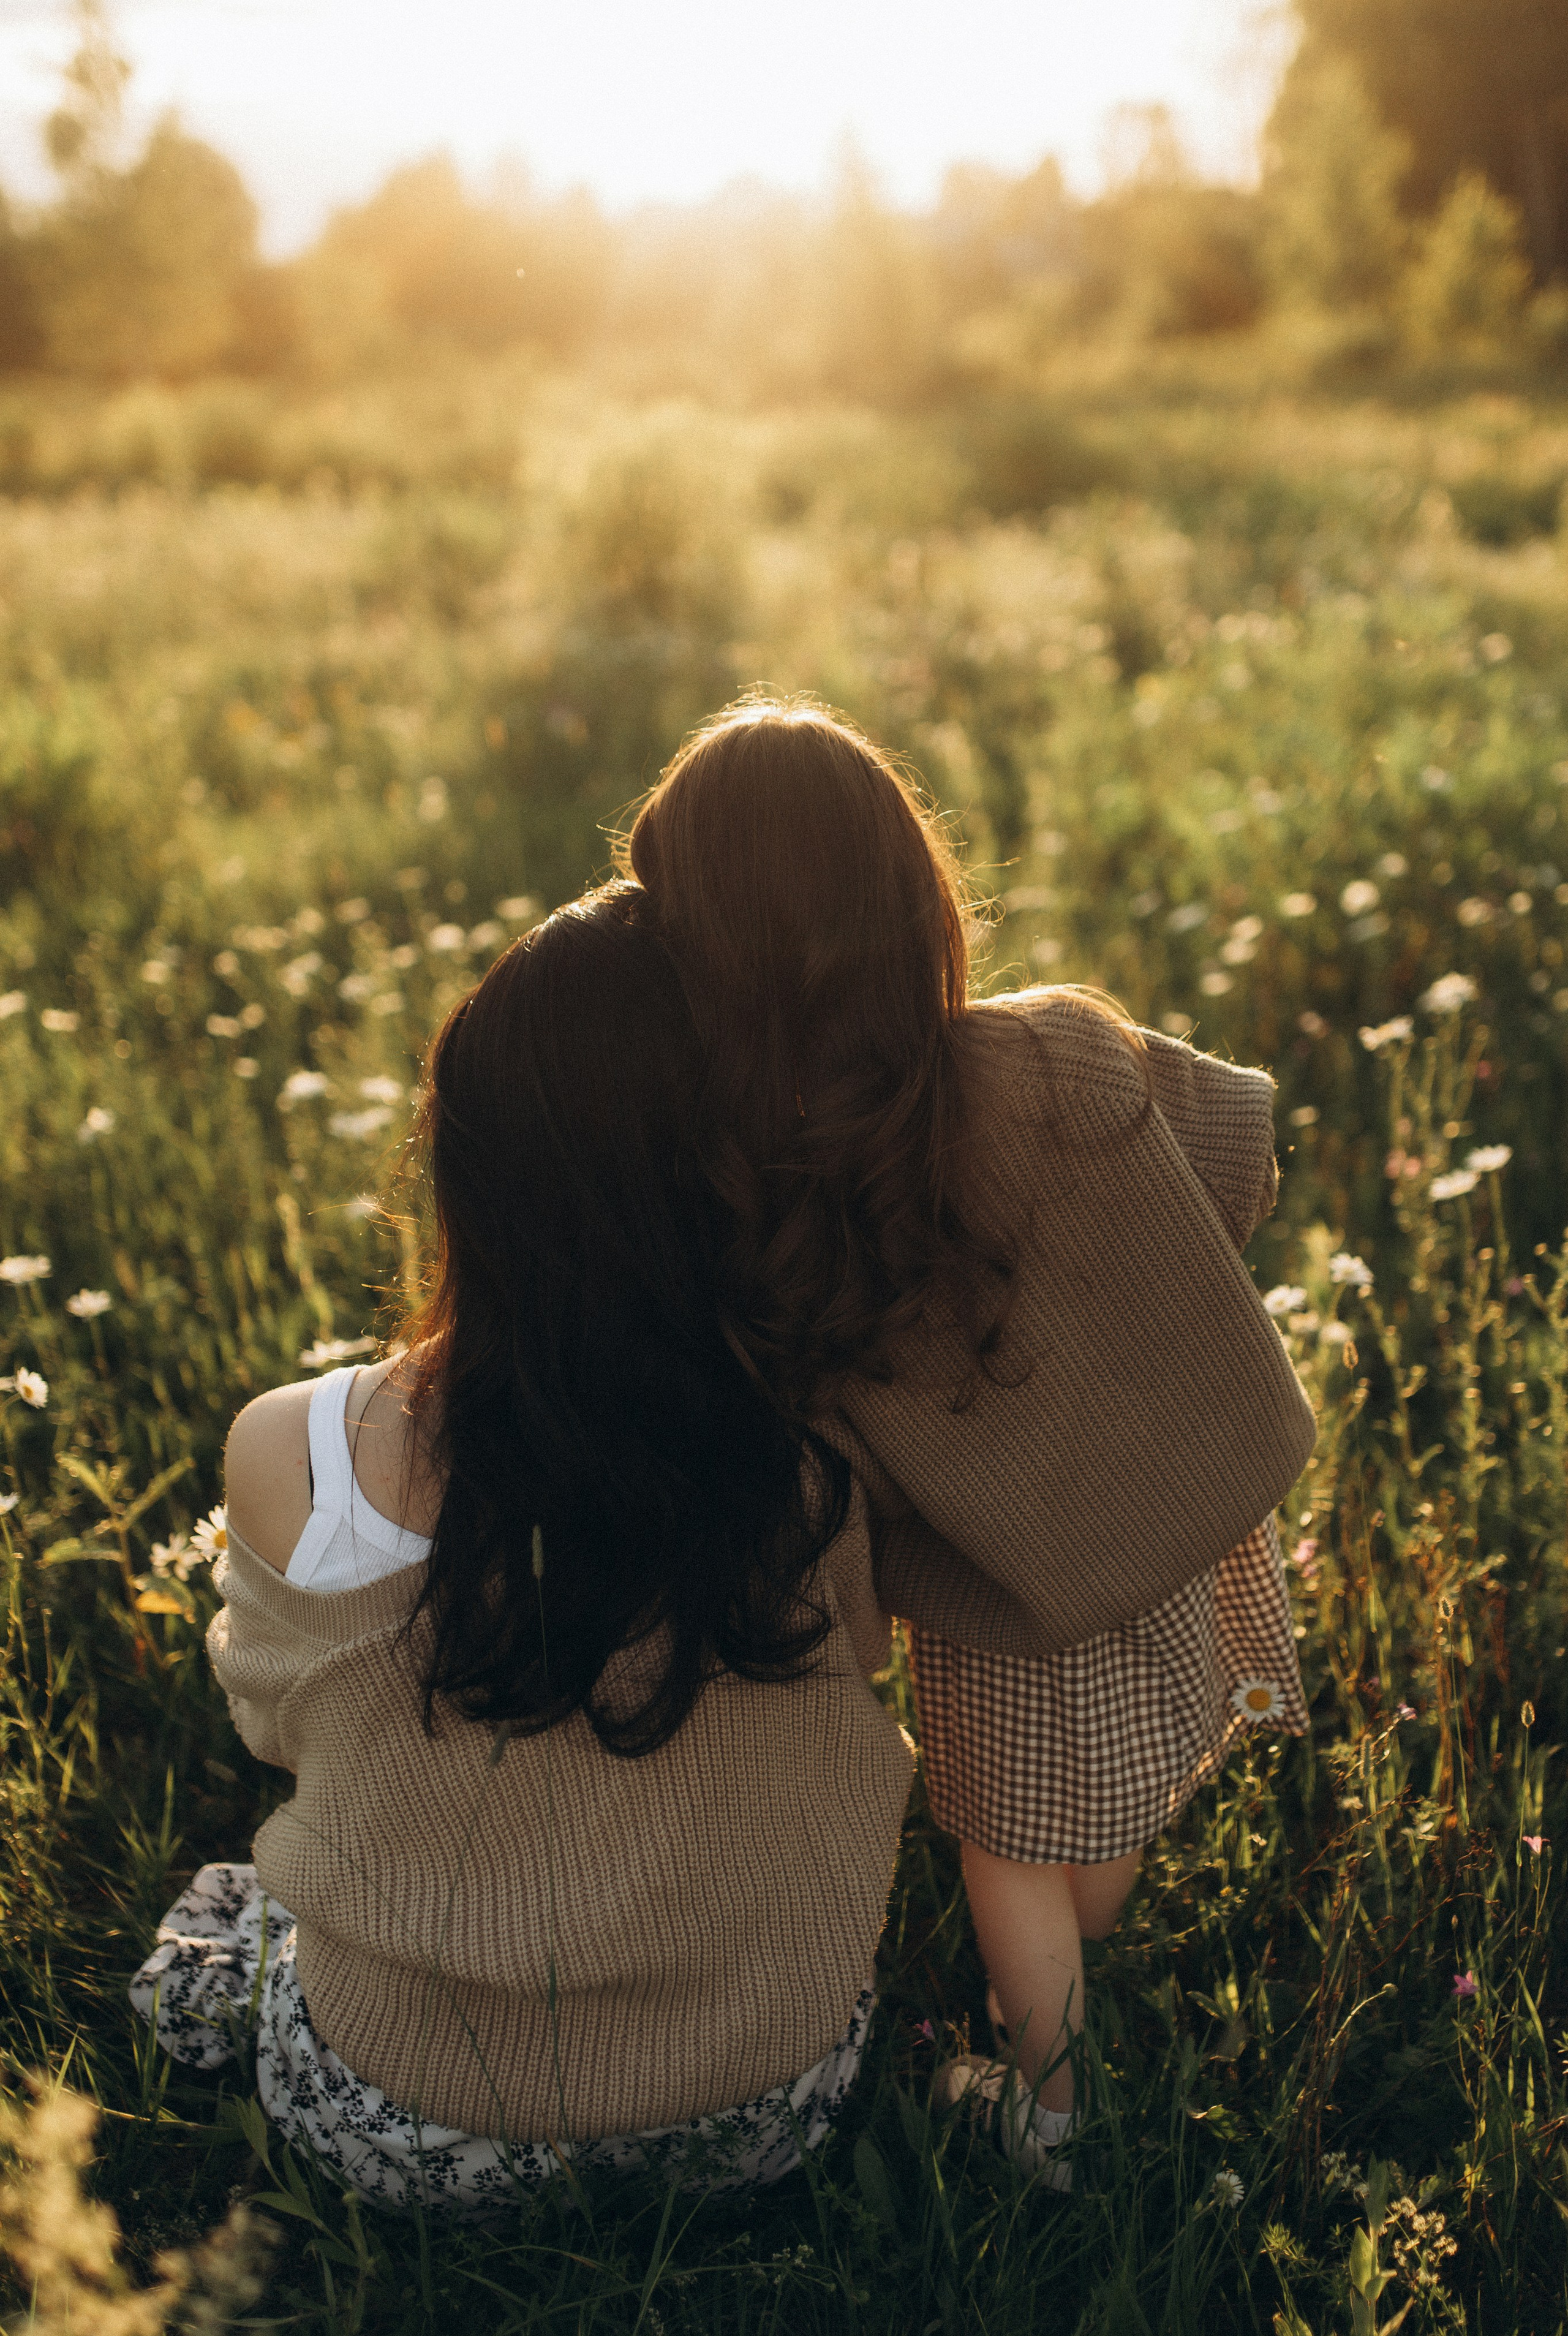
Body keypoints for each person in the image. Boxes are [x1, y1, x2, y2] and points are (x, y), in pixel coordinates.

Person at [130, 885, 914, 2209]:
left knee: (237, 1909)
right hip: (765, 2103)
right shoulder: (822, 1435)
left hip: (398, 2125)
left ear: (462, 1168)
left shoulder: (292, 1450)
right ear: (731, 1172)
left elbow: (271, 1725)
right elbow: (871, 1656)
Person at [623, 694, 1317, 2181]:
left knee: (1005, 1842)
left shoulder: (764, 1200)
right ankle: (1083, 1927)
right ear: (913, 894)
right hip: (1167, 1509)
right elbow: (1238, 1158)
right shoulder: (1059, 1049)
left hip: (1003, 1586)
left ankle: (1046, 2110)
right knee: (1108, 1794)